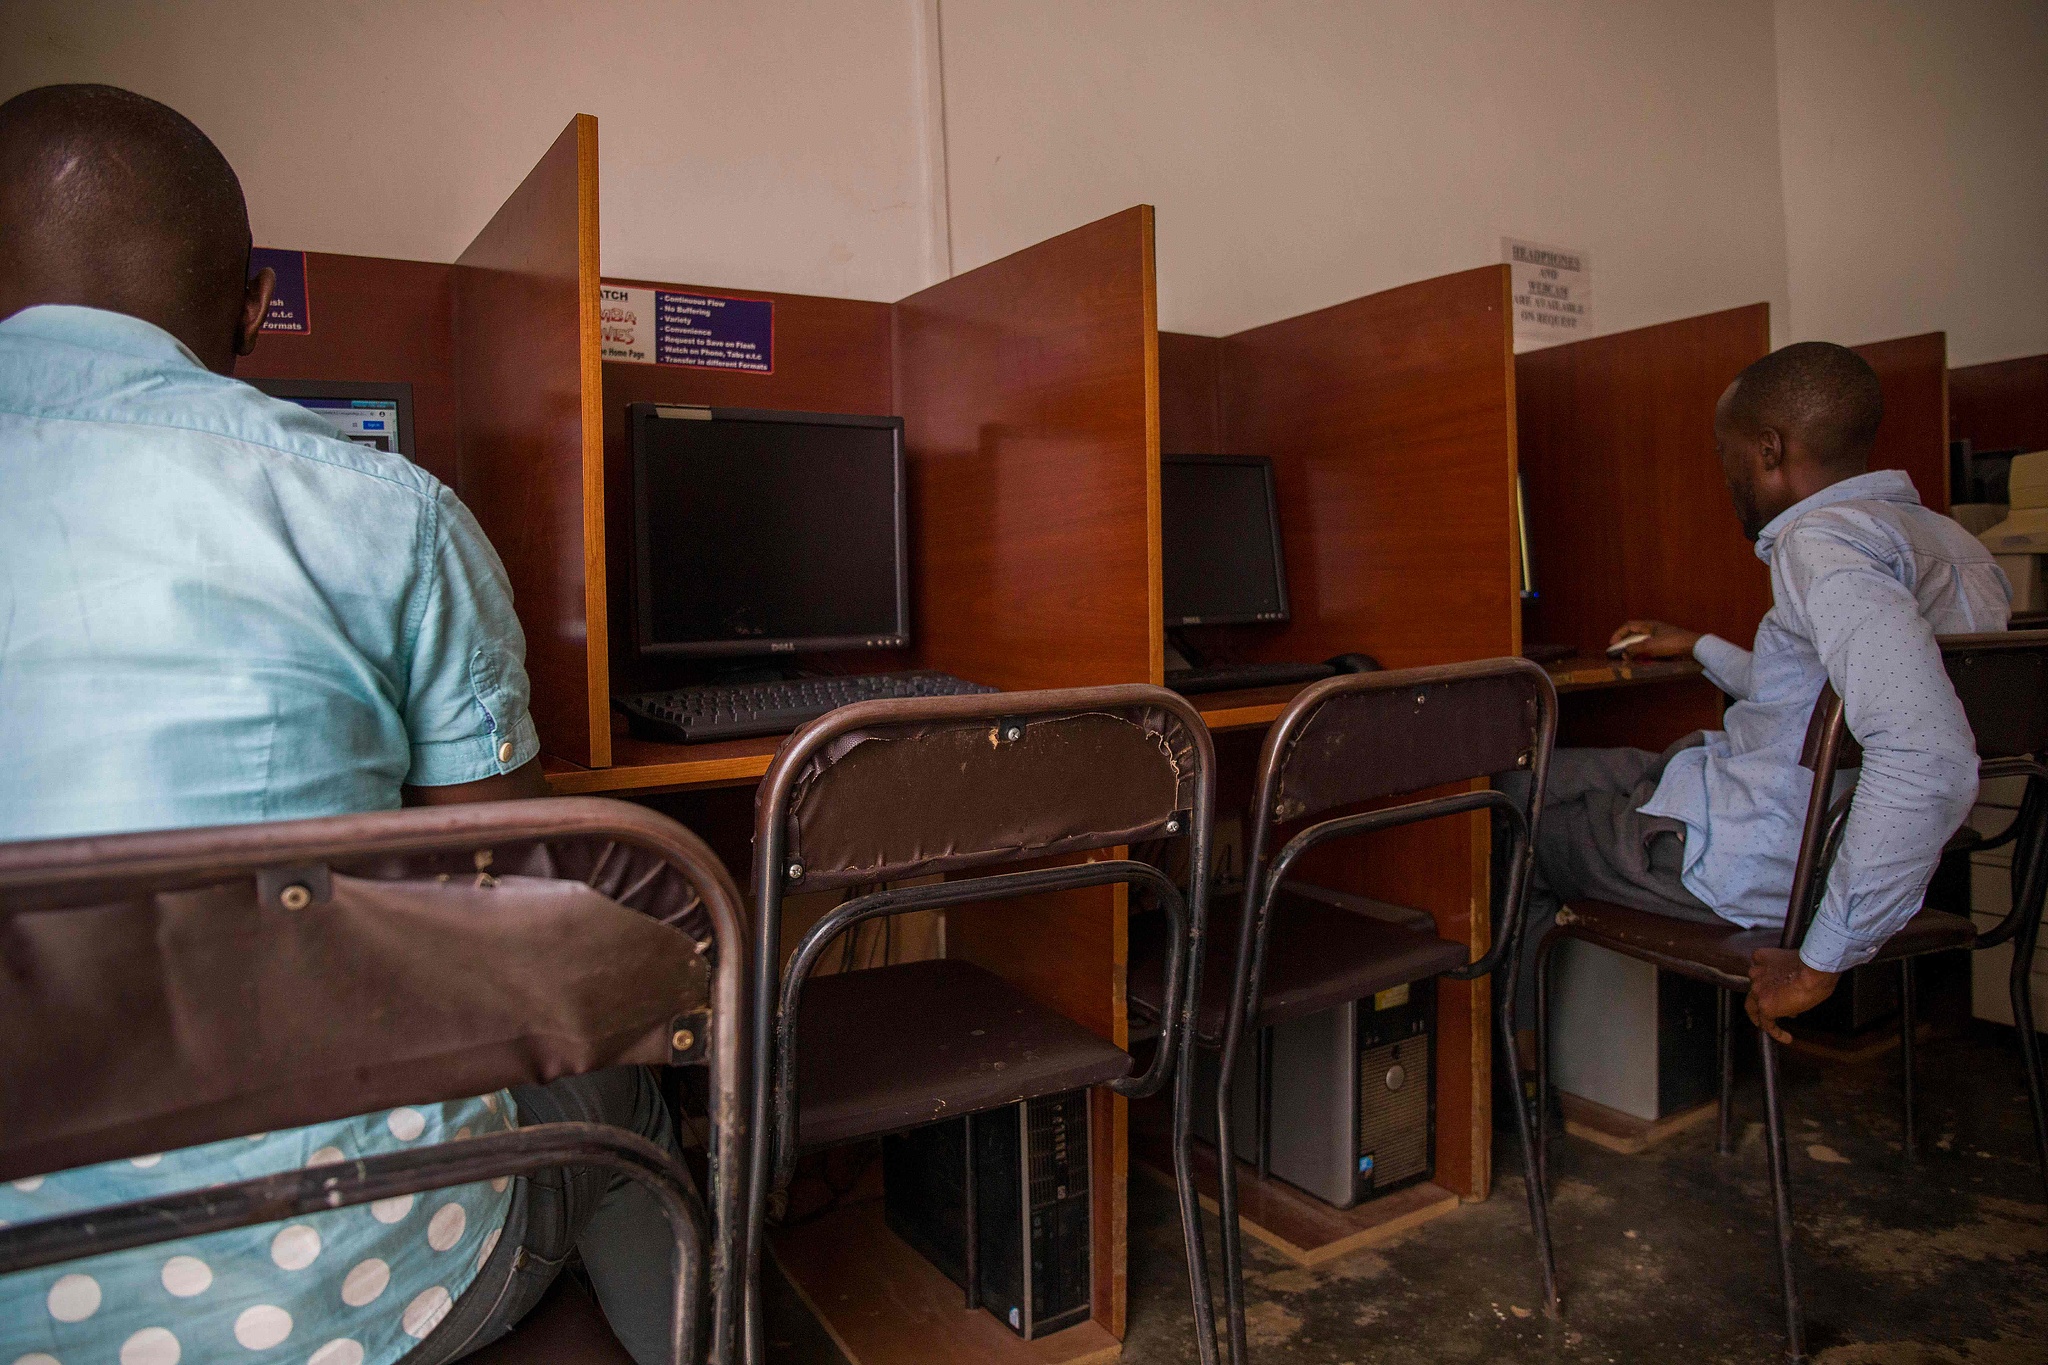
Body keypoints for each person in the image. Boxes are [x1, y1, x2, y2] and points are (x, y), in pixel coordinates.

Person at [0, 85, 679, 1365]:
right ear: (255, 304)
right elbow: (514, 888)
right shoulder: (382, 507)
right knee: (633, 1080)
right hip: (356, 1273)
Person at [1521, 341, 2009, 1044]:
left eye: (1728, 455)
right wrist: (1695, 645)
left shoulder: (1824, 544)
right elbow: (1820, 704)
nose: (1725, 478)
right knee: (1539, 772)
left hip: (1758, 860)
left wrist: (1820, 961)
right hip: (1768, 807)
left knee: (1505, 818)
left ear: (1769, 448)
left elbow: (1927, 752)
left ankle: (1516, 1090)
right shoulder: (1957, 549)